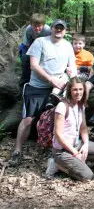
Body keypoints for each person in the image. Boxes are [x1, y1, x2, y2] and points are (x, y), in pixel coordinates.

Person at [8, 19, 76, 167]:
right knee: (27, 120)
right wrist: (51, 79)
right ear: (50, 29)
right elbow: (34, 66)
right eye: (56, 28)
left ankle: (56, 150)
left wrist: (71, 73)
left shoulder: (67, 45)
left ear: (65, 31)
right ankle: (17, 151)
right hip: (37, 87)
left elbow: (72, 66)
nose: (59, 30)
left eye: (61, 28)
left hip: (59, 87)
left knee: (58, 118)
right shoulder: (40, 42)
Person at [45, 77, 94, 180]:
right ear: (70, 90)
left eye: (80, 89)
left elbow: (83, 127)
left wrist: (86, 144)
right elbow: (58, 134)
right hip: (62, 150)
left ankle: (76, 163)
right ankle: (57, 165)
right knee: (88, 176)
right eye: (75, 89)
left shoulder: (80, 105)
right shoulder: (62, 106)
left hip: (76, 144)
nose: (78, 92)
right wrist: (75, 152)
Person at [19, 13, 51, 87]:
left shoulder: (48, 30)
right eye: (35, 26)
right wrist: (31, 56)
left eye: (39, 26)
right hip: (30, 45)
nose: (37, 28)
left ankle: (43, 79)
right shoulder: (29, 29)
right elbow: (27, 44)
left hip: (45, 47)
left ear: (43, 25)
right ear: (31, 25)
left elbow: (50, 44)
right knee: (25, 59)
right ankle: (24, 81)